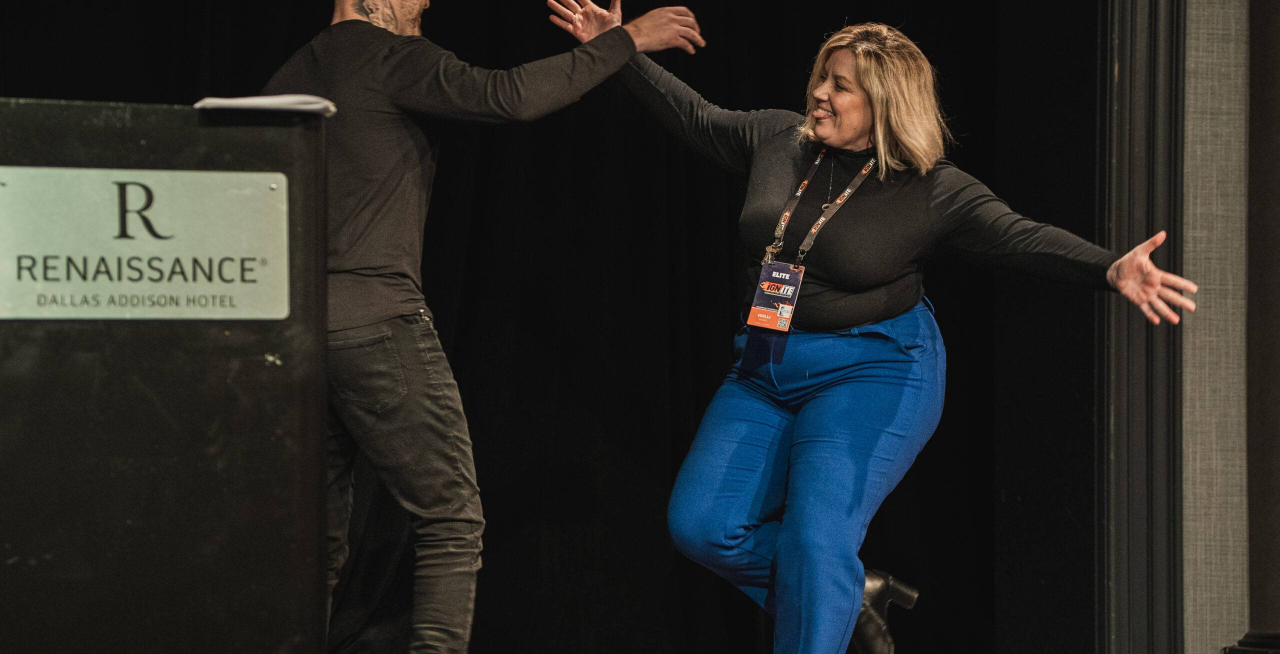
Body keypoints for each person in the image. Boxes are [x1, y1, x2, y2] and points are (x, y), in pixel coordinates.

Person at [548, 3, 1198, 653]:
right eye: (821, 78)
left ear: (886, 102)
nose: (820, 94)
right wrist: (618, 48)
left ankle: (826, 597)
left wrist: (1110, 269)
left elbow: (1018, 236)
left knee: (816, 538)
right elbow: (692, 114)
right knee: (702, 526)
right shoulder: (779, 138)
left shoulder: (932, 191)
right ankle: (844, 589)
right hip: (765, 364)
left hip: (874, 368)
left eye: (840, 85)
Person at [262, 1, 705, 651]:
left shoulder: (288, 78)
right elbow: (510, 96)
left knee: (318, 545)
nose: (423, 10)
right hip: (379, 324)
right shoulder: (389, 57)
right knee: (450, 521)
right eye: (412, 2)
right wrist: (627, 40)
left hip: (296, 333)